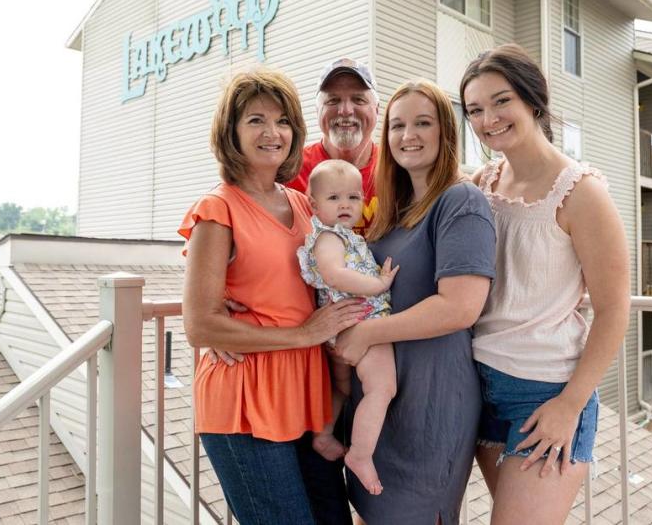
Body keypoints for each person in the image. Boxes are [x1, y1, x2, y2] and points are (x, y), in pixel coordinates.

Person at [179, 68, 365, 525]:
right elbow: (199, 325)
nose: (272, 132)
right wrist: (304, 333)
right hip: (245, 400)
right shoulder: (216, 209)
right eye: (256, 120)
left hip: (308, 394)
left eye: (282, 121)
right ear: (231, 132)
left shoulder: (305, 204)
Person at [461, 44, 630, 524]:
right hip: (479, 386)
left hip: (544, 394)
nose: (488, 118)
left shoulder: (582, 192)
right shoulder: (481, 184)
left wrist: (570, 405)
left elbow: (615, 309)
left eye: (500, 101)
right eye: (475, 109)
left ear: (533, 100)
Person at [332, 80, 496, 524]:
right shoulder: (392, 212)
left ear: (445, 131)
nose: (409, 136)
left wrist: (365, 332)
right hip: (380, 409)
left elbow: (459, 307)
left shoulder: (461, 201)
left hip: (431, 402)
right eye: (398, 125)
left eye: (423, 123)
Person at [296, 159, 398, 495]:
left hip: (343, 327)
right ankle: (361, 454)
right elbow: (335, 275)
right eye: (334, 198)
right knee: (382, 388)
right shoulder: (328, 238)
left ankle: (324, 435)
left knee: (343, 389)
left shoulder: (345, 236)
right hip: (358, 320)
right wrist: (379, 285)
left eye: (353, 198)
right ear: (313, 204)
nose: (345, 205)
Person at [287, 58, 380, 236]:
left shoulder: (396, 168)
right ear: (317, 110)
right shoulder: (291, 170)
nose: (345, 110)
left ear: (376, 109)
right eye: (333, 100)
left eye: (358, 99)